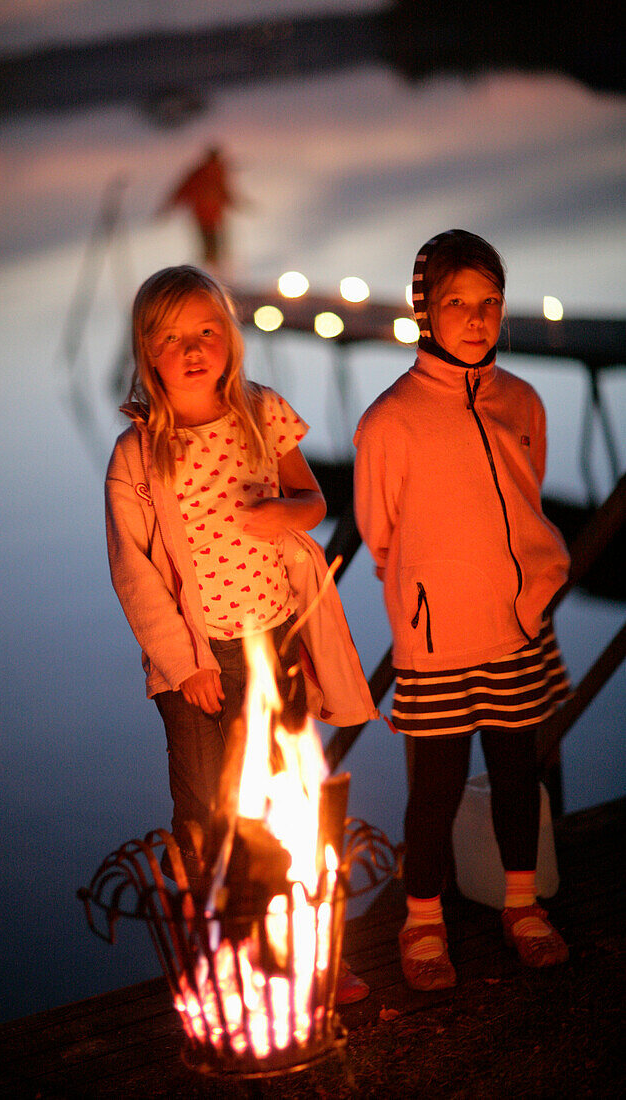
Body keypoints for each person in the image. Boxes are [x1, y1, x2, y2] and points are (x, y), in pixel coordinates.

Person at [105, 265, 377, 1002]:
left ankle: (304, 952)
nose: (193, 349)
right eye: (172, 338)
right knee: (204, 812)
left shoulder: (262, 412)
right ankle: (220, 959)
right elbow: (135, 575)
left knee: (282, 793)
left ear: (229, 338)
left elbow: (315, 498)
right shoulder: (138, 455)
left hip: (274, 644)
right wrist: (184, 662)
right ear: (147, 351)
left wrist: (284, 516)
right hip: (199, 662)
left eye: (207, 332)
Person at [354, 230, 571, 991]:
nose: (476, 320)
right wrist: (425, 594)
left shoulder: (520, 399)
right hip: (436, 639)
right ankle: (421, 921)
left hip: (515, 628)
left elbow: (527, 492)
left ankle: (521, 904)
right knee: (435, 789)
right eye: (456, 304)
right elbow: (378, 533)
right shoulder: (389, 421)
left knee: (517, 772)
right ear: (424, 311)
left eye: (489, 304)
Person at [157, 147, 239, 272]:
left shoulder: (214, 173)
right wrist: (168, 207)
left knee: (215, 247)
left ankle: (215, 274)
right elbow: (184, 190)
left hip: (212, 217)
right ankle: (212, 274)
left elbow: (224, 192)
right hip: (205, 217)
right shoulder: (205, 173)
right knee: (211, 247)